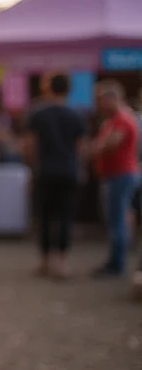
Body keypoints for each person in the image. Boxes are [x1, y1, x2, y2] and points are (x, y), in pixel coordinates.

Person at [26, 74, 86, 279]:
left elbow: (31, 145)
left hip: (46, 171)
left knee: (44, 216)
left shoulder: (38, 113)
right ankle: (61, 261)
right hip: (69, 171)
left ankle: (44, 261)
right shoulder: (76, 114)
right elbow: (81, 147)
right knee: (65, 217)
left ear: (48, 88)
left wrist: (34, 167)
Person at [91, 81, 141, 277]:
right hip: (116, 175)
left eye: (101, 99)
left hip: (121, 175)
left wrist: (95, 148)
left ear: (112, 98)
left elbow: (111, 145)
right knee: (116, 219)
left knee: (118, 220)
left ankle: (117, 264)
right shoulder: (114, 119)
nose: (98, 104)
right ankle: (114, 261)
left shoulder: (122, 119)